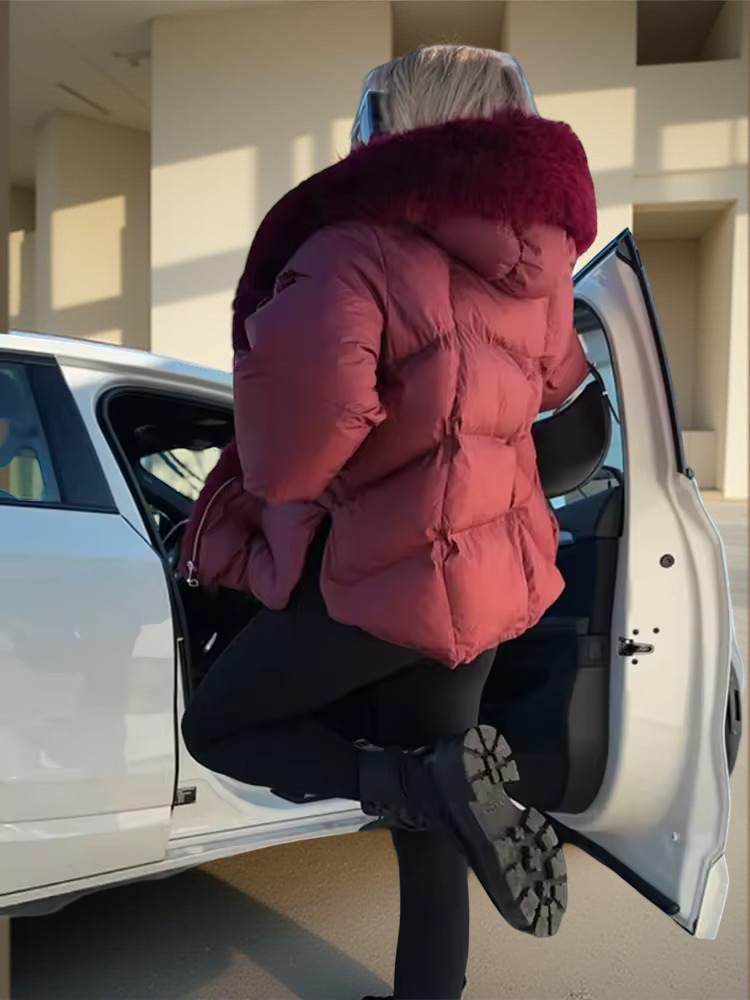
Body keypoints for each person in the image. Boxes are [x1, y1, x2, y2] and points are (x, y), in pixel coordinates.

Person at [180, 45, 596, 1000]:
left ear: (388, 126)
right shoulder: (539, 264)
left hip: (386, 580)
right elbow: (572, 418)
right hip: (491, 583)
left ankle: (415, 783)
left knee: (221, 724)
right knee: (441, 791)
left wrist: (272, 331)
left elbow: (291, 462)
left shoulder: (347, 249)